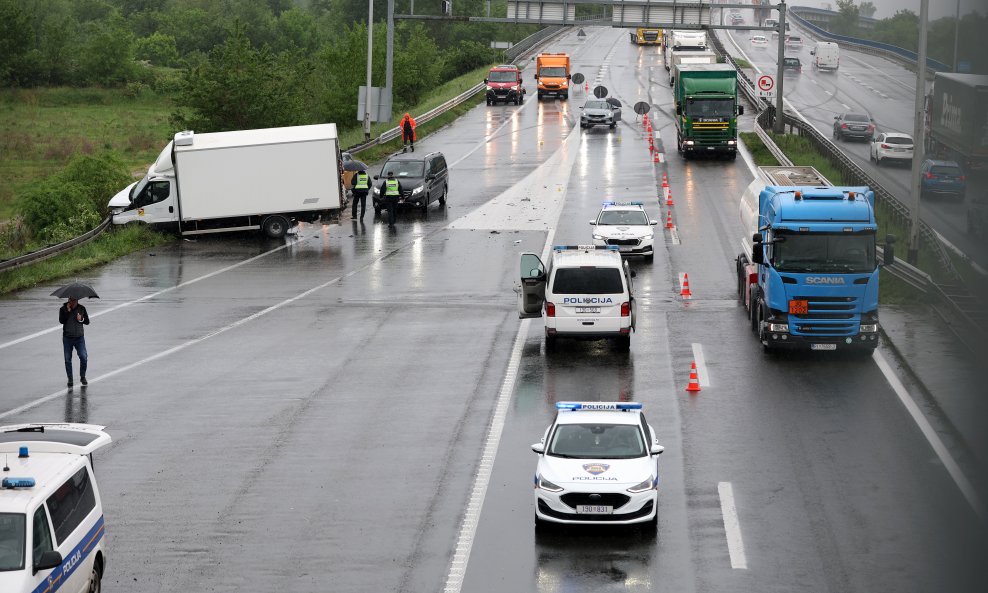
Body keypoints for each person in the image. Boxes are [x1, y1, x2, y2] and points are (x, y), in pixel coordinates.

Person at [59, 297, 90, 387]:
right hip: (67, 338)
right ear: (68, 300)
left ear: (77, 300)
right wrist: (67, 311)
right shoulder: (63, 309)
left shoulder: (82, 308)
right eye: (71, 300)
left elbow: (87, 322)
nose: (72, 302)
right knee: (67, 359)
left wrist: (81, 319)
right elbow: (61, 321)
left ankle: (82, 376)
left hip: (79, 338)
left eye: (74, 300)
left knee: (83, 357)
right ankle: (70, 379)